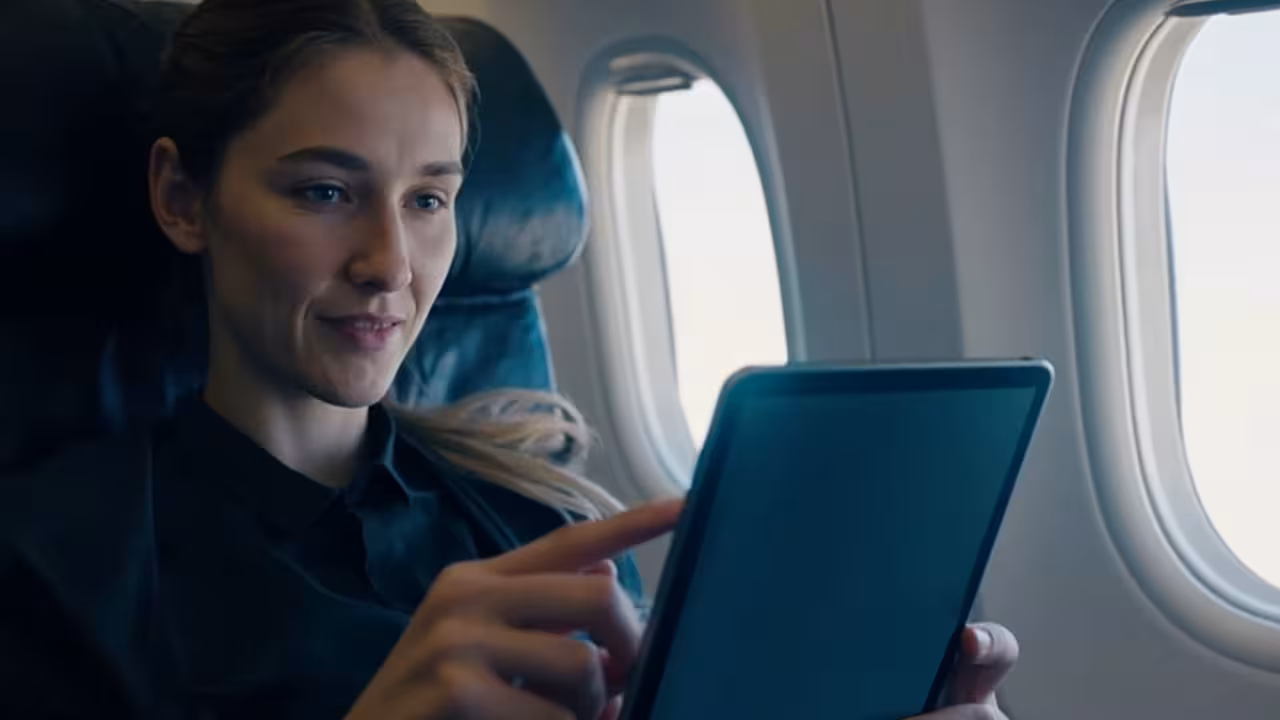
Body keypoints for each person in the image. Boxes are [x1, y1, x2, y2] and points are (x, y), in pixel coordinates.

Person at [0, 0, 1018, 718]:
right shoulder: (58, 571)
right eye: (324, 191)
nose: (390, 265)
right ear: (183, 199)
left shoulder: (546, 517)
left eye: (429, 199)